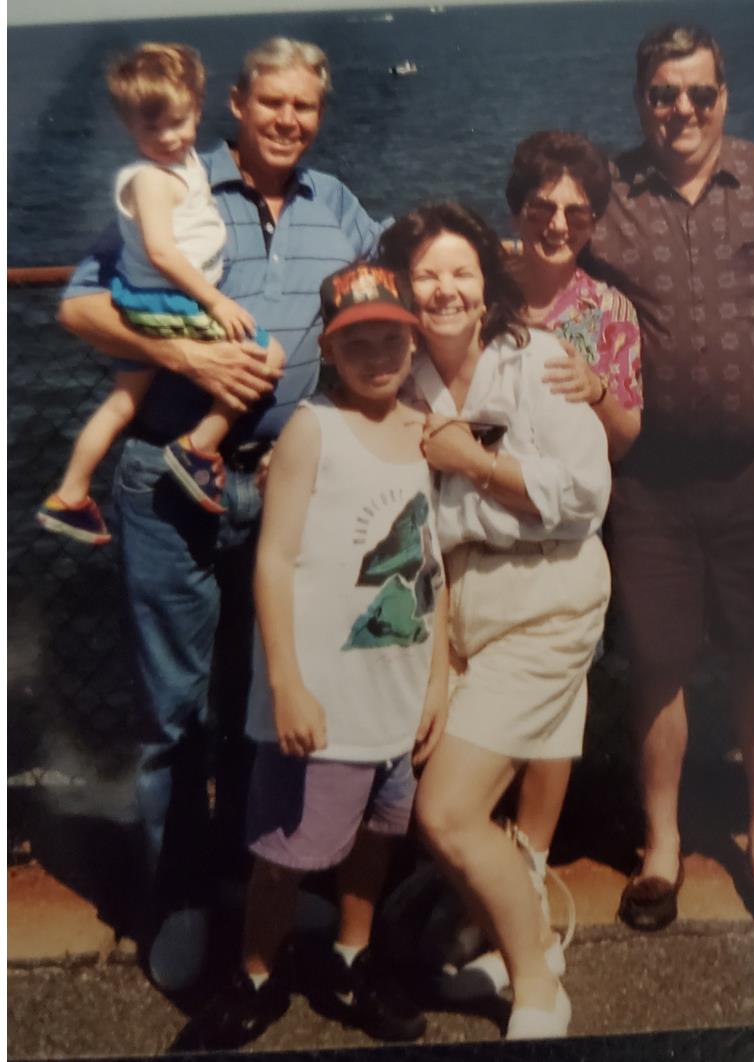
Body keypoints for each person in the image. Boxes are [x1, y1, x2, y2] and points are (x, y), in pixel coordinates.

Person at [56, 37, 385, 986]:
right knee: (175, 719)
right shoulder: (178, 180)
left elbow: (394, 278)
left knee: (257, 705)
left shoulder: (335, 204)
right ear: (235, 102)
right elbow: (80, 307)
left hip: (281, 488)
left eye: (305, 106)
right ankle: (178, 899)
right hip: (169, 483)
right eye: (271, 102)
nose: (288, 120)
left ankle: (251, 880)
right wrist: (190, 357)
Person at [581, 23, 754, 930]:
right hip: (650, 478)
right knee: (659, 660)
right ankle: (662, 847)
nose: (682, 110)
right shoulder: (603, 191)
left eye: (700, 93)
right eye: (663, 94)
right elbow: (539, 249)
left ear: (725, 97)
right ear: (639, 99)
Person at [181, 264, 447, 1049]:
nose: (377, 356)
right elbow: (273, 561)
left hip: (397, 691)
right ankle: (256, 975)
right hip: (322, 699)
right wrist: (286, 684)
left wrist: (436, 679)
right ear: (328, 350)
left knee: (377, 835)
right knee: (285, 852)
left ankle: (349, 960)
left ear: (413, 341)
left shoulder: (426, 428)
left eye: (391, 339)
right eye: (356, 343)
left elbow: (433, 564)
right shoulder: (311, 429)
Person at [377, 202, 611, 1039]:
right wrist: (440, 667)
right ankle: (512, 928)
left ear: (486, 286)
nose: (444, 290)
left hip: (547, 595)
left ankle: (538, 984)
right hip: (458, 605)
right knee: (442, 794)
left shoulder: (537, 361)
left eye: (461, 273)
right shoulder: (400, 379)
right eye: (425, 275)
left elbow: (586, 497)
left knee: (446, 810)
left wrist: (474, 462)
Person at [434, 130, 642, 998]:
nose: (557, 224)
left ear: (594, 222)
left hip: (568, 528)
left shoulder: (606, 309)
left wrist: (597, 392)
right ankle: (503, 898)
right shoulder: (485, 284)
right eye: (541, 207)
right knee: (504, 720)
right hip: (483, 536)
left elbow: (624, 437)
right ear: (517, 206)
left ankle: (525, 874)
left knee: (554, 711)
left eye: (576, 213)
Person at [38, 43, 283, 543]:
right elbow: (161, 253)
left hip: (149, 303)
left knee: (123, 402)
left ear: (198, 108)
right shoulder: (152, 181)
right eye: (152, 129)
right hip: (170, 303)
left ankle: (70, 494)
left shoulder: (185, 165)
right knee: (267, 355)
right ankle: (198, 448)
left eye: (178, 122)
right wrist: (215, 300)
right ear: (129, 126)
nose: (169, 138)